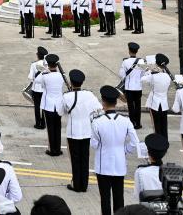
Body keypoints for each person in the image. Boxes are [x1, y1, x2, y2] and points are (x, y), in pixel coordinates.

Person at [91, 85, 138, 215]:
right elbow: (134, 143)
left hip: (103, 165)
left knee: (105, 199)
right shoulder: (126, 120)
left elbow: (94, 144)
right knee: (119, 198)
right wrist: (124, 150)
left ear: (103, 102)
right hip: (119, 164)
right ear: (116, 102)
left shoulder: (97, 122)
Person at [61, 69, 100, 192]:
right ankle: (84, 185)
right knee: (85, 158)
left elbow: (60, 112)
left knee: (75, 158)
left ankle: (76, 185)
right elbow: (98, 109)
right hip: (87, 131)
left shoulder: (67, 96)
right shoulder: (89, 95)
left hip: (73, 132)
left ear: (71, 82)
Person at [35, 53, 66, 157]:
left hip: (48, 104)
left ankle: (52, 150)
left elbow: (38, 82)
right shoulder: (61, 76)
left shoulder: (45, 76)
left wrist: (44, 70)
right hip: (59, 105)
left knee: (50, 128)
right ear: (56, 65)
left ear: (48, 64)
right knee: (58, 127)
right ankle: (57, 149)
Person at [141, 53, 172, 140]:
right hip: (164, 103)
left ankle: (158, 142)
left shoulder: (153, 76)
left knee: (156, 125)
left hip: (154, 103)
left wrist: (148, 71)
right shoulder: (167, 76)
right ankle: (165, 140)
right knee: (163, 124)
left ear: (156, 63)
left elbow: (142, 80)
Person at [133, 133, 168, 200]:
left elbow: (137, 196)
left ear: (148, 153)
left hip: (147, 208)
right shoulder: (169, 171)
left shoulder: (140, 171)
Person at [120, 42, 144, 129]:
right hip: (138, 87)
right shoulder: (141, 61)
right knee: (138, 105)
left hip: (129, 87)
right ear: (137, 51)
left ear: (129, 51)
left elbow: (122, 75)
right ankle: (138, 123)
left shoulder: (125, 62)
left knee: (130, 106)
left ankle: (132, 123)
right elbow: (143, 74)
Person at [28, 47, 48, 129]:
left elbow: (30, 77)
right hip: (44, 89)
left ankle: (38, 123)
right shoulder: (47, 65)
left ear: (38, 55)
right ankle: (43, 123)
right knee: (44, 106)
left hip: (36, 89)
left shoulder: (34, 64)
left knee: (37, 106)